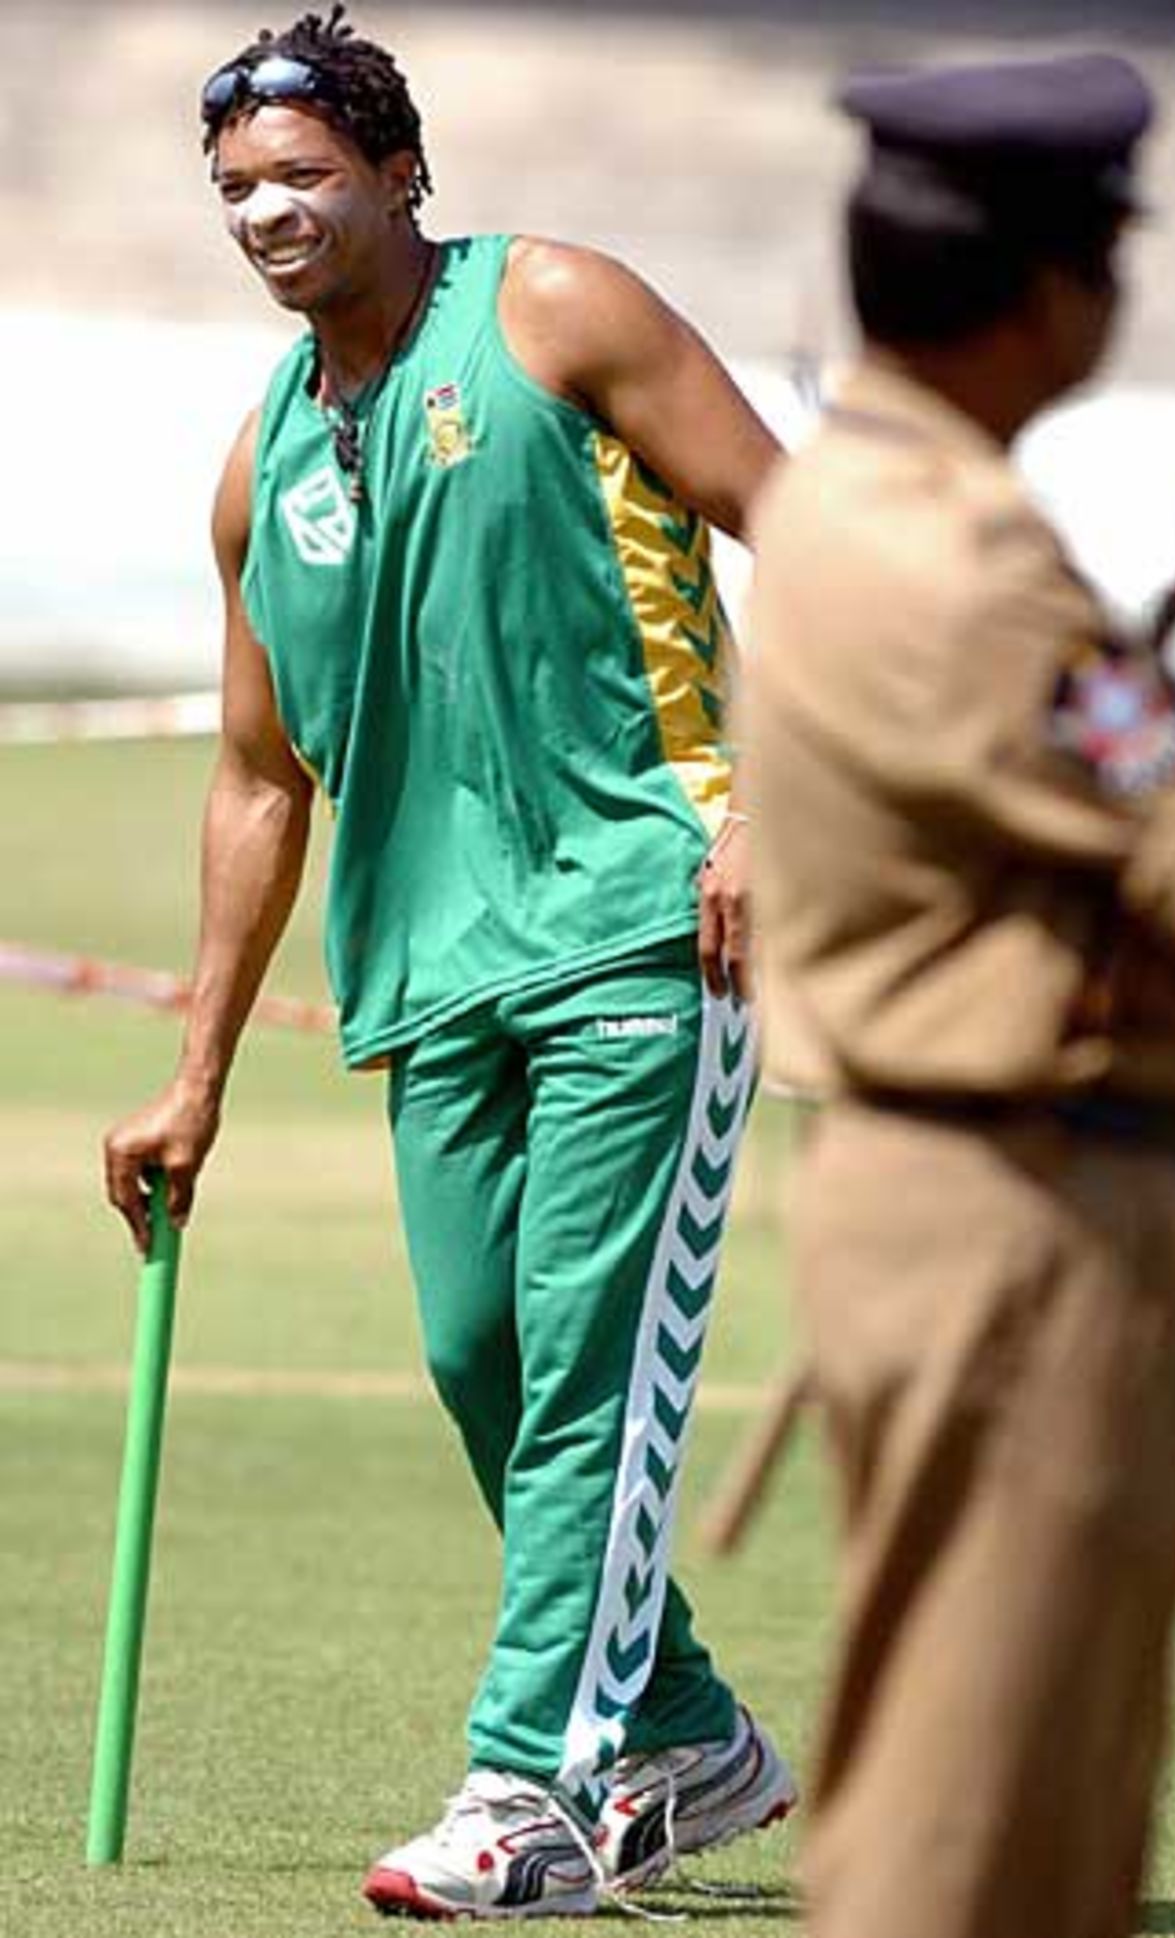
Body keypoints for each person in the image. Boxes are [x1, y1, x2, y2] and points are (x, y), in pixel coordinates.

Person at [102, 5, 795, 1919]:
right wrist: (196, 1075)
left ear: (402, 175)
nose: (267, 215)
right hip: (433, 985)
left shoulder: (558, 306)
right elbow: (257, 782)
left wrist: (769, 811)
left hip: (646, 927)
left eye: (306, 177)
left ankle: (530, 1790)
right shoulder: (259, 473)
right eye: (235, 189)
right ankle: (689, 1731)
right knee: (477, 1356)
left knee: (583, 1377)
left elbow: (808, 534)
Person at [745, 51, 1175, 1938]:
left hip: (1012, 1199)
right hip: (1019, 1219)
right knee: (975, 1828)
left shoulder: (884, 503)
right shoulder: (952, 557)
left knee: (1044, 1811)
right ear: (1059, 289)